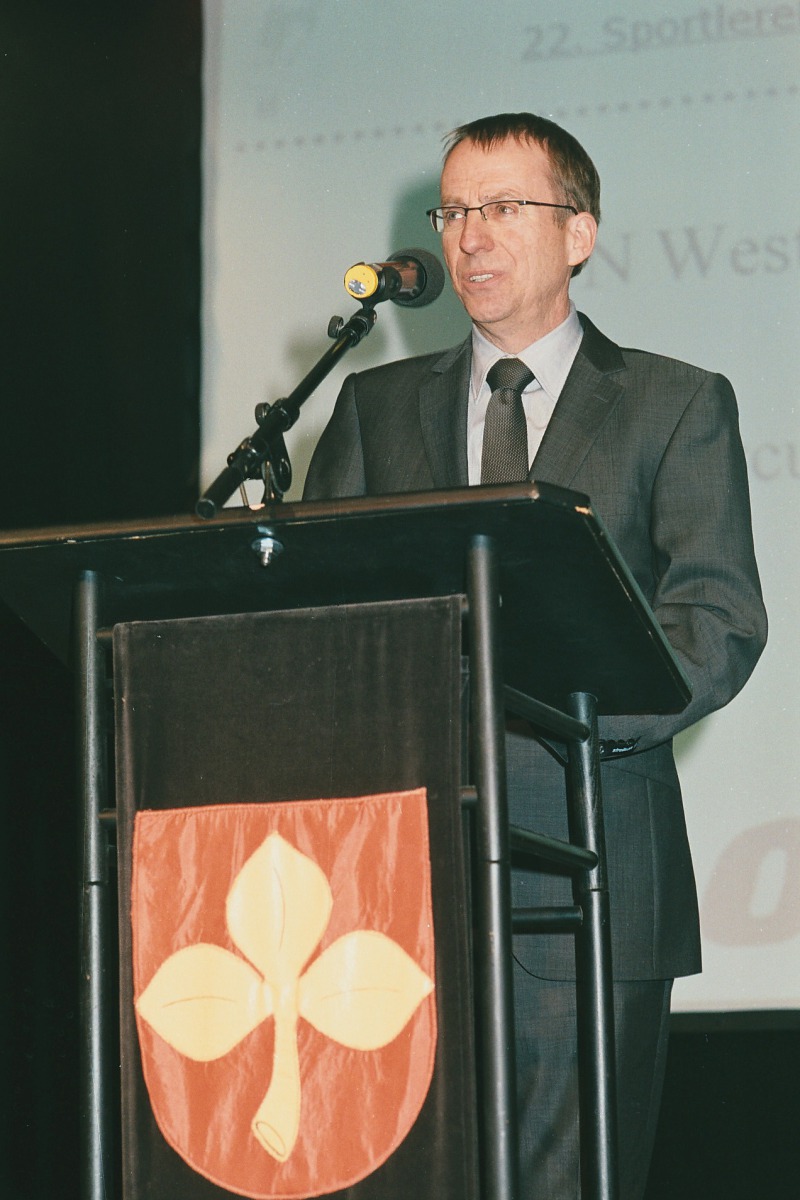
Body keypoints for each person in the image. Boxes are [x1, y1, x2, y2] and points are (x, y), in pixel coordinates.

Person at [303, 113, 767, 1199]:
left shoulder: (673, 403)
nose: (471, 237)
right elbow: (323, 626)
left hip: (591, 864)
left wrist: (551, 718)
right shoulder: (375, 407)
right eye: (455, 211)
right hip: (393, 887)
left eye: (505, 207)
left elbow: (715, 621)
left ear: (579, 233)